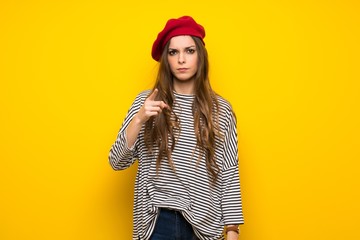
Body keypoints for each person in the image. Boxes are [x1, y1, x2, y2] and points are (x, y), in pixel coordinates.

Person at [109, 16, 244, 240]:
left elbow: (229, 172)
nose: (181, 59)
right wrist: (140, 119)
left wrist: (232, 231)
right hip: (156, 222)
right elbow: (117, 162)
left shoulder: (221, 109)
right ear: (166, 59)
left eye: (189, 51)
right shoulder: (147, 103)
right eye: (173, 52)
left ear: (200, 55)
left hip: (203, 225)